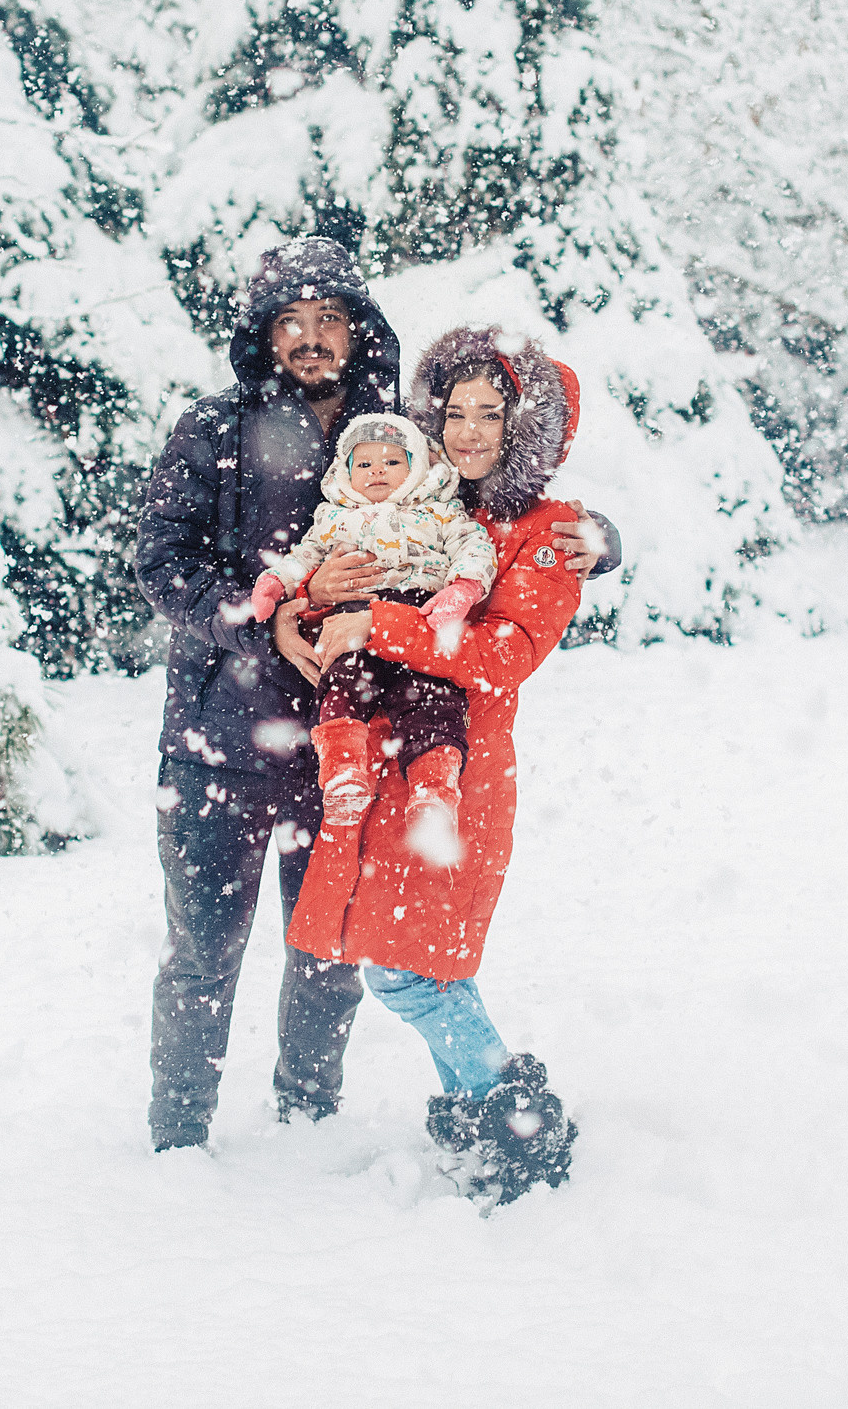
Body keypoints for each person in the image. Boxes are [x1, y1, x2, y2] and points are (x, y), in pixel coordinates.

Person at [132, 238, 619, 1154]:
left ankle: (308, 1121)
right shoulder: (211, 431)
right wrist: (262, 621)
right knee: (202, 953)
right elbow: (159, 559)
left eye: (330, 320)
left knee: (329, 953)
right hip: (217, 741)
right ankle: (177, 1138)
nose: (312, 339)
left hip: (346, 746)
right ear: (263, 334)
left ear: (361, 333)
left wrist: (601, 536)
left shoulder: (401, 433)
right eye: (292, 321)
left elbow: (503, 484)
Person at [277, 324, 590, 1205]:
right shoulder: (434, 507)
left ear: (526, 426)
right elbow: (344, 579)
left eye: (493, 412)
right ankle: (479, 1130)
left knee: (406, 969)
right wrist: (316, 599)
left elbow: (502, 652)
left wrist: (379, 626)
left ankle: (516, 1117)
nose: (469, 429)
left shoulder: (550, 531)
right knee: (431, 959)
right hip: (391, 768)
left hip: (461, 773)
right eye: (454, 410)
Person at [246, 412, 496, 856]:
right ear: (345, 473)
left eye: (391, 462)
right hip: (353, 616)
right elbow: (304, 555)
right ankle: (342, 773)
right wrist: (276, 583)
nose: (377, 471)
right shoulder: (333, 517)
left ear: (416, 468)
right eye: (364, 464)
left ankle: (434, 786)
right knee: (340, 684)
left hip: (420, 615)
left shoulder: (439, 510)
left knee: (433, 697)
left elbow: (473, 544)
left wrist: (464, 587)